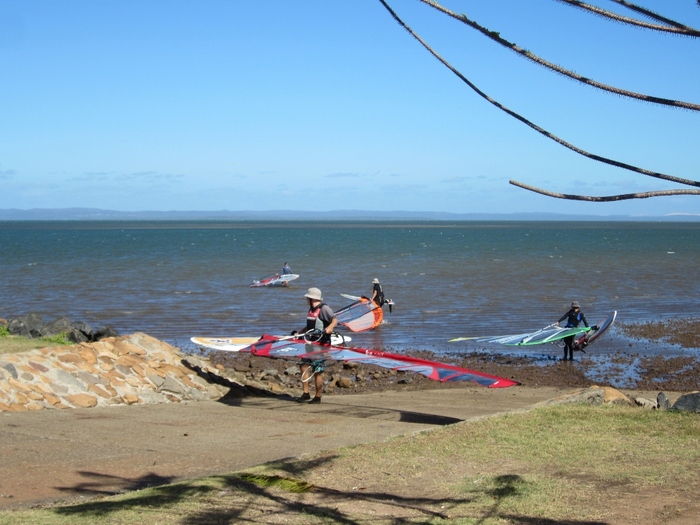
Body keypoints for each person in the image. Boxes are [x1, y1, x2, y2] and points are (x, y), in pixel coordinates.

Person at [295, 287, 338, 404]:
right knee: (303, 366)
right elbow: (310, 327)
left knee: (317, 370)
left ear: (311, 298)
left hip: (321, 344)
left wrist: (330, 327)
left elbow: (335, 320)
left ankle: (318, 397)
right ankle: (305, 393)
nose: (306, 300)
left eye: (307, 298)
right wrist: (300, 333)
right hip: (310, 342)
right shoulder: (311, 309)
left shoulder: (324, 309)